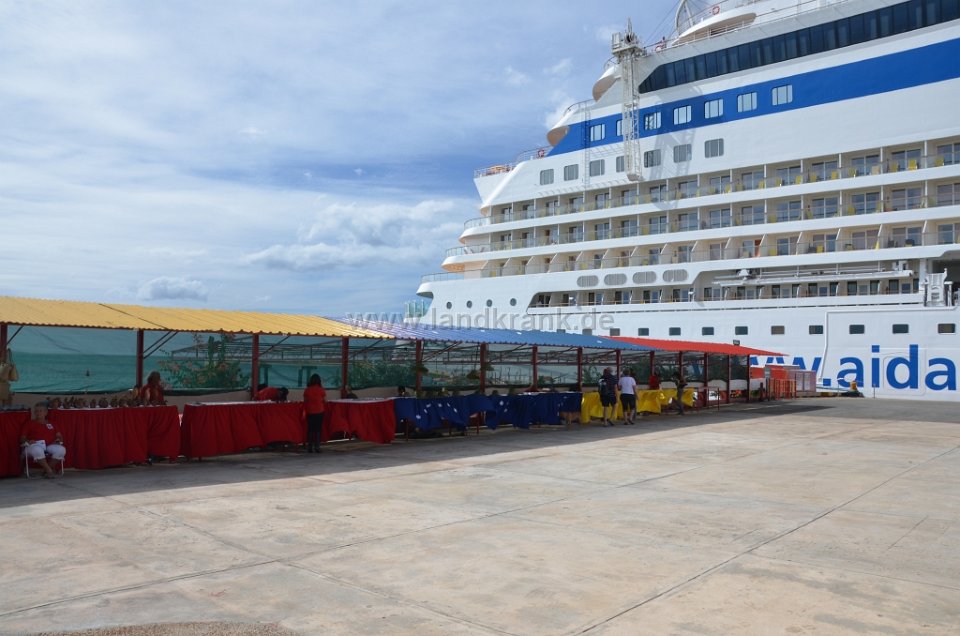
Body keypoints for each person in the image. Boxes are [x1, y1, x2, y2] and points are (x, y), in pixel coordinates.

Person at [19, 401, 66, 478]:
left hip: (49, 445)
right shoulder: (29, 423)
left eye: (40, 411)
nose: (38, 413)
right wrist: (28, 441)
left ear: (46, 412)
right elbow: (22, 438)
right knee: (38, 450)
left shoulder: (52, 423)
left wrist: (58, 440)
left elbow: (59, 436)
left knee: (61, 450)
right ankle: (49, 471)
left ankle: (45, 471)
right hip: (33, 445)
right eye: (36, 411)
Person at [303, 374, 326, 453]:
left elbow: (305, 401)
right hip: (319, 411)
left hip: (310, 411)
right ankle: (317, 447)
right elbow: (325, 401)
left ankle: (309, 447)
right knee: (318, 429)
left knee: (310, 429)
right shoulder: (321, 390)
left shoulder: (307, 390)